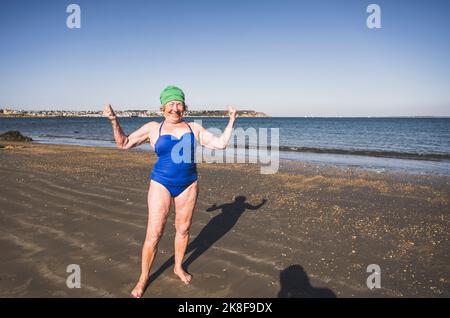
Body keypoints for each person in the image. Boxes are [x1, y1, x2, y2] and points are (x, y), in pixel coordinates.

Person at [103, 85, 237, 298]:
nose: (175, 108)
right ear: (163, 106)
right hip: (161, 183)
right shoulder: (153, 128)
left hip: (189, 184)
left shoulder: (194, 127)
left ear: (184, 106)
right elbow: (124, 143)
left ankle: (177, 267)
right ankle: (143, 277)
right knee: (154, 233)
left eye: (179, 103)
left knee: (183, 230)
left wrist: (231, 121)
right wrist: (113, 120)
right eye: (171, 103)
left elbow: (220, 144)